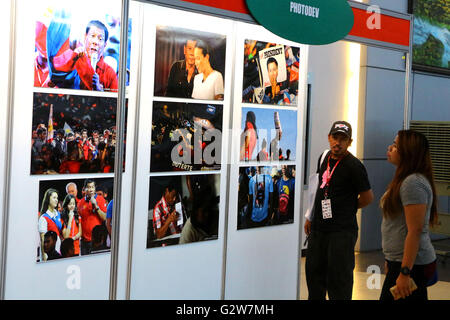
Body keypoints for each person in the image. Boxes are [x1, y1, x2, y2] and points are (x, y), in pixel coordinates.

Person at [304, 121, 374, 300]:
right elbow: (317, 189)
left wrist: (349, 207)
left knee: (339, 282)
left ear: (349, 142)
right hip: (319, 230)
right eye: (335, 137)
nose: (338, 143)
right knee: (314, 278)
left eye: (343, 139)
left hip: (341, 233)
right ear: (329, 137)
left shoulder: (354, 166)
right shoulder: (324, 157)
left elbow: (367, 198)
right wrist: (310, 216)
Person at [379, 130, 438, 301]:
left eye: (396, 146)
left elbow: (415, 230)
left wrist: (405, 271)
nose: (390, 148)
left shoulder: (412, 183)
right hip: (400, 261)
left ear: (408, 152)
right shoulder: (405, 180)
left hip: (412, 265)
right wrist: (391, 259)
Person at [48, 19, 118, 91]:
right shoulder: (73, 60)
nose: (95, 42)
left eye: (100, 39)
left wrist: (100, 91)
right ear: (85, 37)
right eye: (92, 36)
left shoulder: (110, 73)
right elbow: (51, 84)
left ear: (105, 44)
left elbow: (115, 101)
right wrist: (72, 58)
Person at [77, 179, 107, 255]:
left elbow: (104, 218)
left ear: (95, 188)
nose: (90, 190)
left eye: (92, 187)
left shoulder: (101, 200)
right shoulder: (80, 202)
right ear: (84, 189)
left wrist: (96, 206)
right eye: (88, 187)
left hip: (96, 241)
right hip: (84, 241)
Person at [38, 188, 63, 262]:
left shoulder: (58, 214)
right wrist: (44, 256)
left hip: (58, 250)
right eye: (54, 197)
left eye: (57, 198)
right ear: (48, 199)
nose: (56, 200)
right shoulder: (43, 218)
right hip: (49, 254)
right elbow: (43, 239)